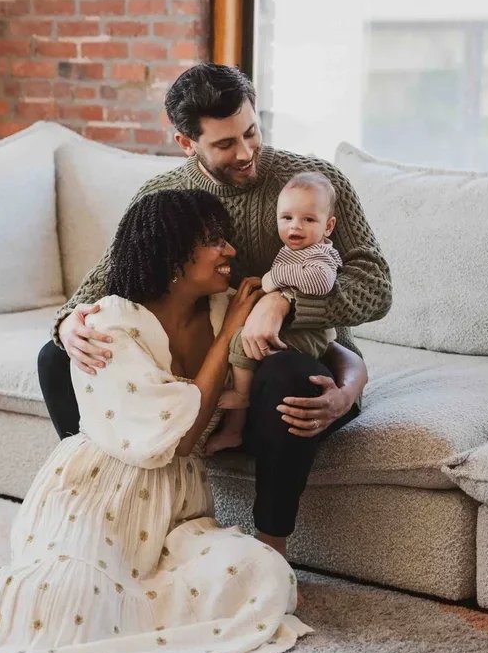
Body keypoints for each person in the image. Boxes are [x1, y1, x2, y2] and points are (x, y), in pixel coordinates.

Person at [0, 191, 310, 653]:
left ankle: (136, 596)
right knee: (70, 604)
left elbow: (328, 338)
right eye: (213, 242)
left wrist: (342, 379)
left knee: (262, 574)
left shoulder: (229, 307)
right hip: (96, 496)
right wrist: (229, 333)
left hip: (175, 511)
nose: (229, 251)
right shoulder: (108, 325)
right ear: (173, 255)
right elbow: (180, 436)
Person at [40, 63, 392, 556]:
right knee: (58, 357)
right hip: (200, 367)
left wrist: (283, 300)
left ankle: (271, 551)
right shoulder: (163, 196)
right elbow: (102, 283)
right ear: (187, 143)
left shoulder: (313, 183)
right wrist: (69, 324)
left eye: (252, 132)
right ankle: (104, 513)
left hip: (293, 360)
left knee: (284, 372)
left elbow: (376, 287)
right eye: (225, 144)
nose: (246, 152)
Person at [204, 172, 343, 455]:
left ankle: (242, 399)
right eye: (287, 218)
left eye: (308, 219)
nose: (296, 227)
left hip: (311, 335)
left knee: (250, 349)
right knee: (242, 343)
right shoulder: (291, 251)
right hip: (290, 329)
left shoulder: (321, 253)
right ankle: (235, 428)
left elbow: (321, 282)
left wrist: (275, 277)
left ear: (328, 227)